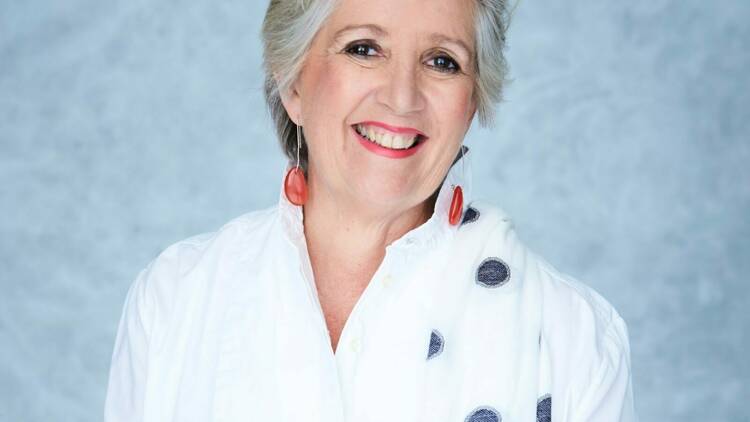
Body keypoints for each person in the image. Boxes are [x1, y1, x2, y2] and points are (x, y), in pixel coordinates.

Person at [104, 0, 637, 421]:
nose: (401, 97)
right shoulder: (175, 299)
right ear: (292, 82)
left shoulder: (575, 339)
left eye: (442, 61)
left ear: (472, 103)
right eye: (364, 49)